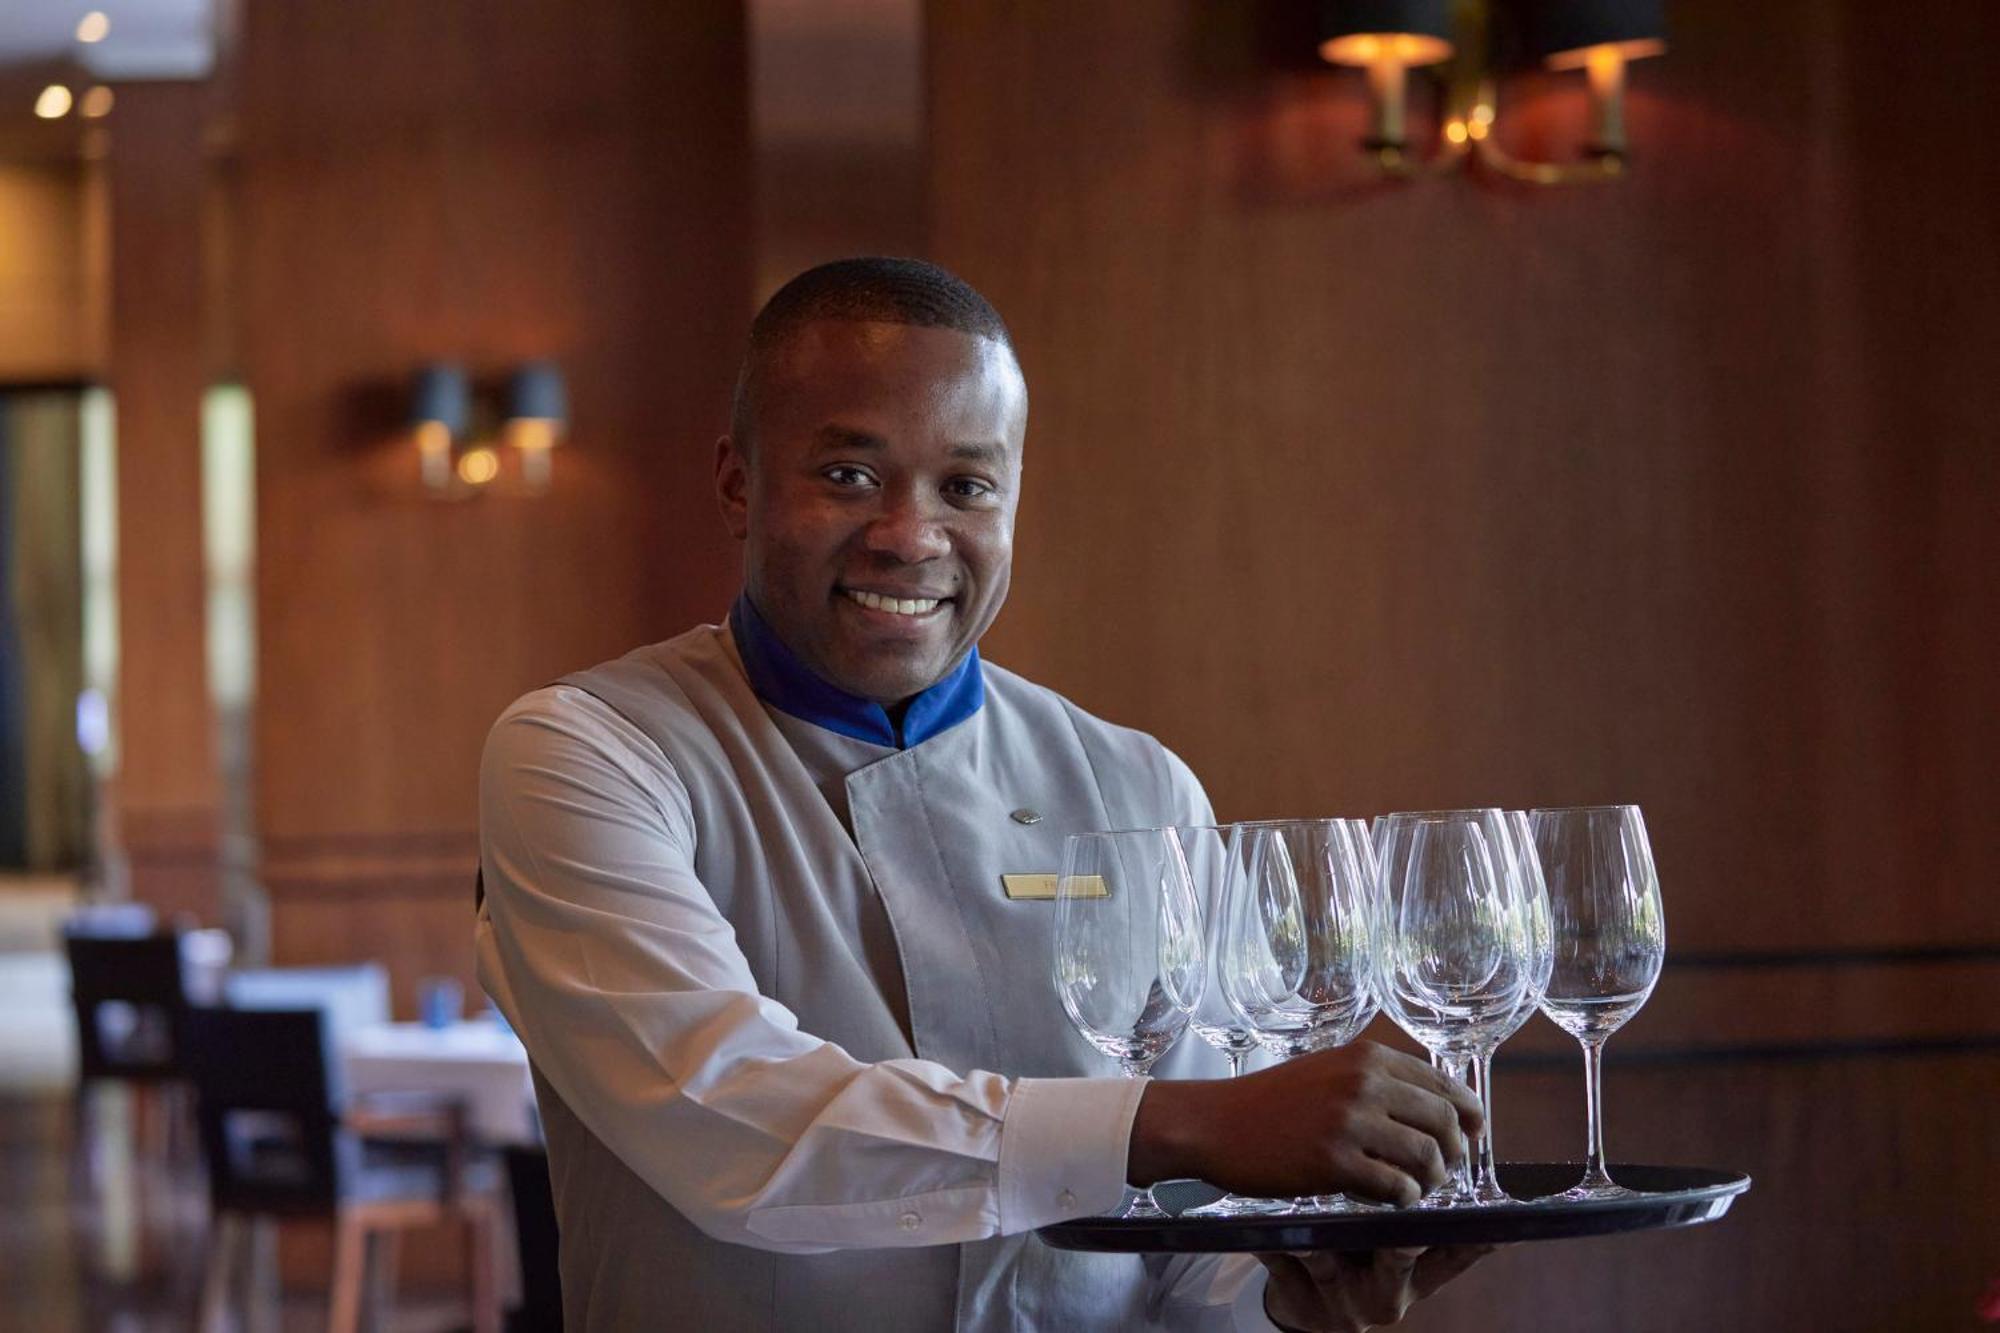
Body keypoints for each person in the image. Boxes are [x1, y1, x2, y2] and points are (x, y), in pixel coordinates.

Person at [475, 258, 1489, 1331]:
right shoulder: (586, 749)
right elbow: (734, 1122)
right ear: (737, 482)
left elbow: (1200, 1238)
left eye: (966, 486)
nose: (909, 536)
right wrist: (1180, 1122)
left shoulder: (1137, 783)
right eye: (849, 475)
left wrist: (1294, 1297)